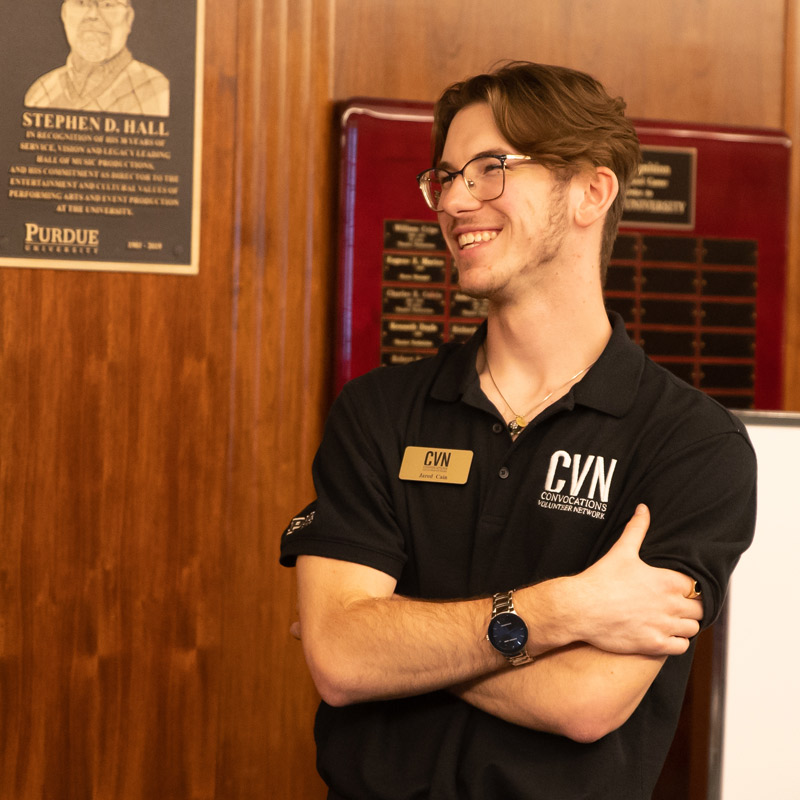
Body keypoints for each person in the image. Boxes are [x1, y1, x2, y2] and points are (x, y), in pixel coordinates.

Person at [280, 61, 756, 799]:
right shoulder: (377, 411)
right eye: (444, 176)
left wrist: (397, 639)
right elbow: (342, 661)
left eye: (490, 168)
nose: (454, 200)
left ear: (592, 191)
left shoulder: (693, 446)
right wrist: (564, 610)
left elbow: (587, 701)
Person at [24, 0, 169, 116]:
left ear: (128, 18)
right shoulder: (40, 93)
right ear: (64, 14)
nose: (92, 14)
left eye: (107, 4)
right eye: (81, 3)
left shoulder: (157, 90)